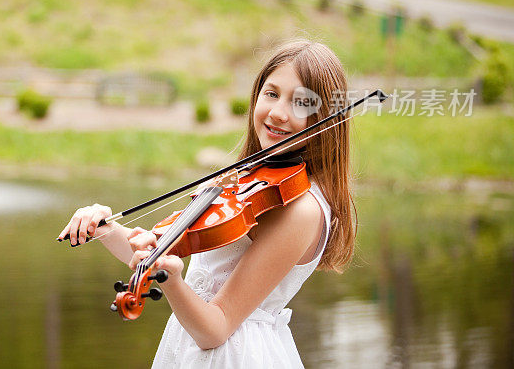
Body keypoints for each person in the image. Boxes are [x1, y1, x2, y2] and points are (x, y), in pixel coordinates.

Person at [57, 39, 355, 368]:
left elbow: (216, 328)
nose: (278, 113)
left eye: (300, 103)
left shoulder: (301, 210)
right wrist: (103, 229)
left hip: (236, 357)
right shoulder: (250, 181)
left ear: (325, 117)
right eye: (271, 93)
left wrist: (172, 280)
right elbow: (156, 256)